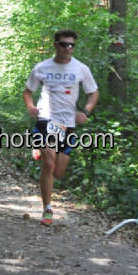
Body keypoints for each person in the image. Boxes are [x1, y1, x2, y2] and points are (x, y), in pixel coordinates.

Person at [22, 29, 98, 226]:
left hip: (68, 123)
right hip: (46, 119)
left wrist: (87, 112)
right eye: (64, 44)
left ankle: (39, 149)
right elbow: (28, 92)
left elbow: (94, 93)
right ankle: (47, 210)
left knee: (58, 172)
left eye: (71, 45)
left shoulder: (81, 69)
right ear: (56, 45)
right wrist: (31, 106)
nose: (68, 48)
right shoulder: (42, 67)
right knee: (49, 163)